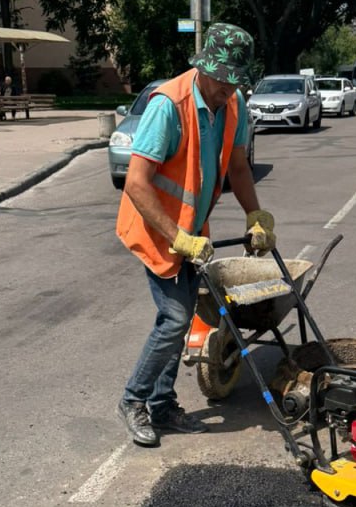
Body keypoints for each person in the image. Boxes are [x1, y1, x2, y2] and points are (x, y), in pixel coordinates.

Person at [116, 22, 274, 448]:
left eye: (235, 83)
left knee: (182, 317)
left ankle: (163, 405)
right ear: (203, 68)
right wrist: (178, 238)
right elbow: (136, 184)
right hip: (155, 228)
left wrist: (255, 216)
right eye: (222, 82)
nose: (227, 91)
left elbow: (238, 167)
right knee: (175, 318)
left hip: (190, 230)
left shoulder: (233, 105)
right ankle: (133, 400)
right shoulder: (169, 105)